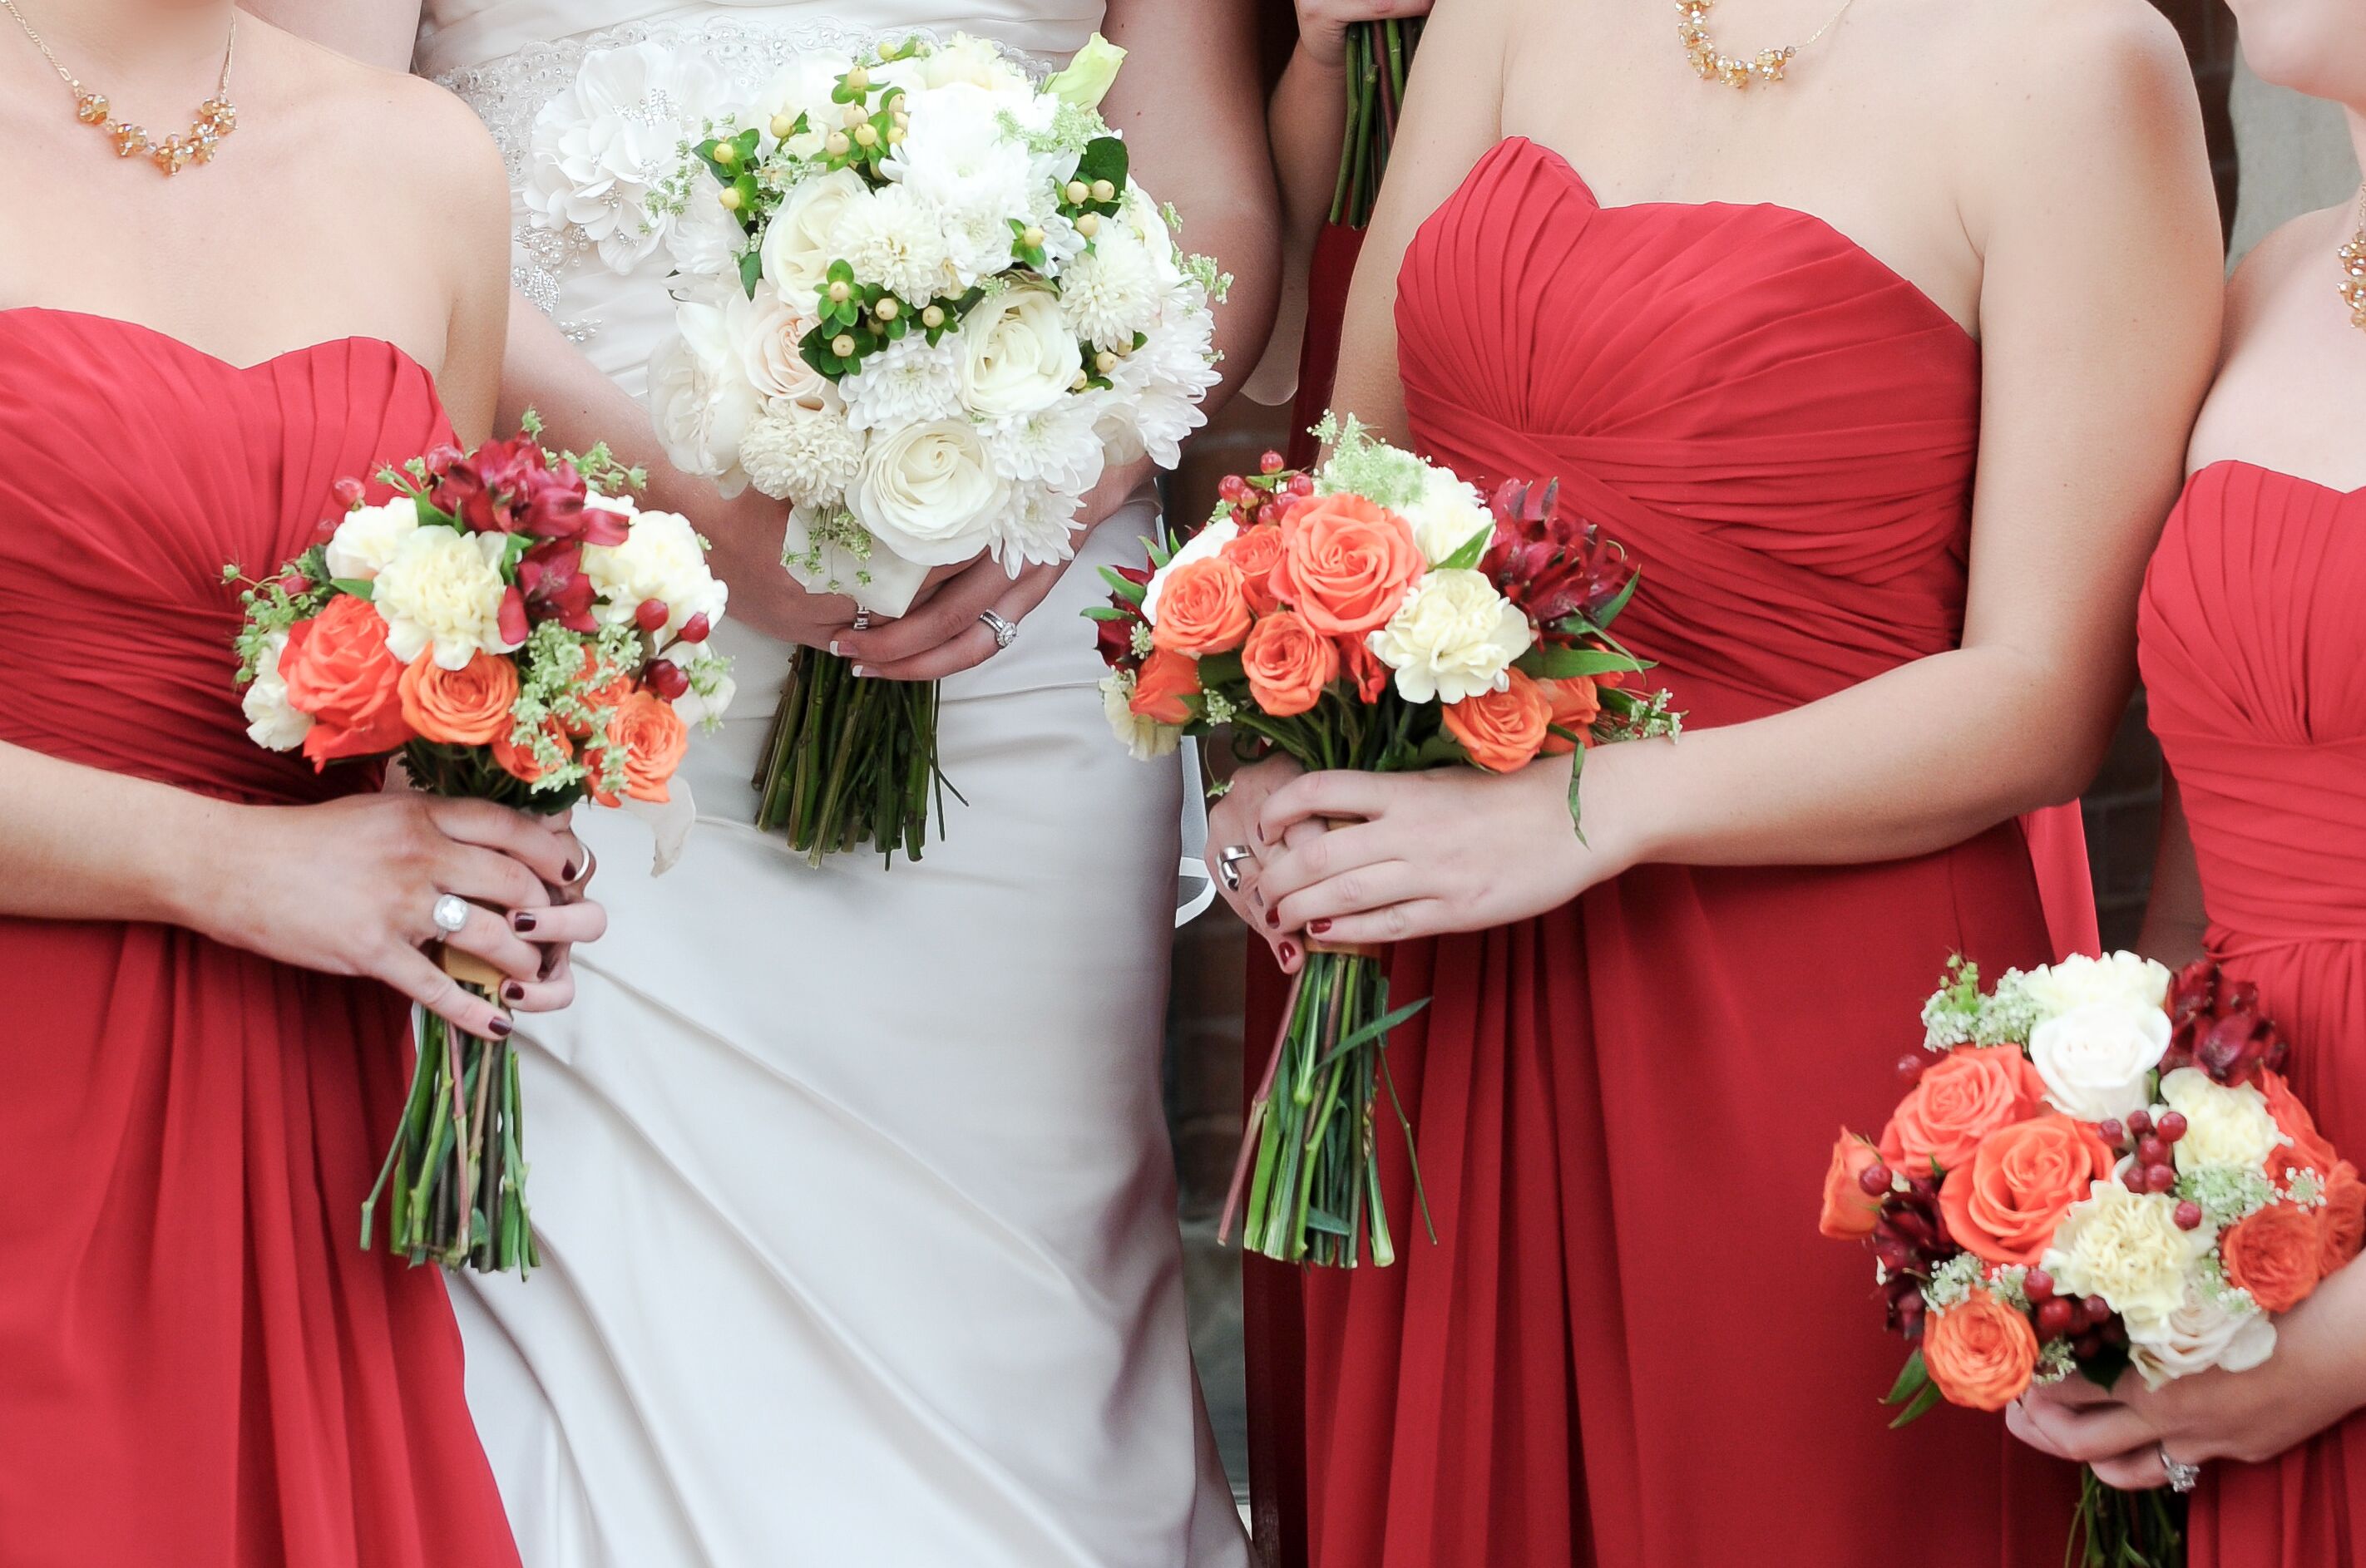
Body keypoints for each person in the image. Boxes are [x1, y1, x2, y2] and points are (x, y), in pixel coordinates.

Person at [265, 2, 1279, 1561]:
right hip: (577, 609)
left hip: (1003, 634)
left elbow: (1202, 190)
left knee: (1016, 1286)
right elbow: (308, 137)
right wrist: (689, 512)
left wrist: (1044, 503)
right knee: (609, 1302)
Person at [1211, 0, 2223, 1561]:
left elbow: (2043, 700)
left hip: (1796, 1010)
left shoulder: (2077, 65)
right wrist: (1286, 750)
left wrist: (1574, 814)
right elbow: (1359, 472)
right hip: (1427, 989)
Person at [0, 2, 600, 1562]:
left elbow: (435, 631)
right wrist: (227, 863)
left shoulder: (424, 160)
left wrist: (494, 830)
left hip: (302, 1114)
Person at [2005, 5, 2366, 1559]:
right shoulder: (2285, 270)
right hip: (2258, 1212)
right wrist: (2114, 1176)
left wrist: (2344, 1350)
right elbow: (2216, 835)